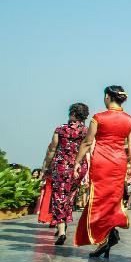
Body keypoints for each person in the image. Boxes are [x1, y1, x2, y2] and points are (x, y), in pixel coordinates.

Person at [73, 86, 131, 258]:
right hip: (119, 163)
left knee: (98, 200)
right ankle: (109, 235)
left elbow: (87, 142)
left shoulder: (98, 117)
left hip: (102, 162)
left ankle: (105, 237)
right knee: (112, 200)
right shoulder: (130, 120)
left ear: (108, 97)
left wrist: (77, 161)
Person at [39, 102, 90, 245]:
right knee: (70, 196)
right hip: (79, 168)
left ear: (72, 113)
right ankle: (63, 223)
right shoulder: (87, 131)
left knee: (59, 196)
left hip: (61, 166)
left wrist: (45, 166)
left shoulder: (61, 129)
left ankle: (61, 230)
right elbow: (89, 149)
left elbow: (52, 149)